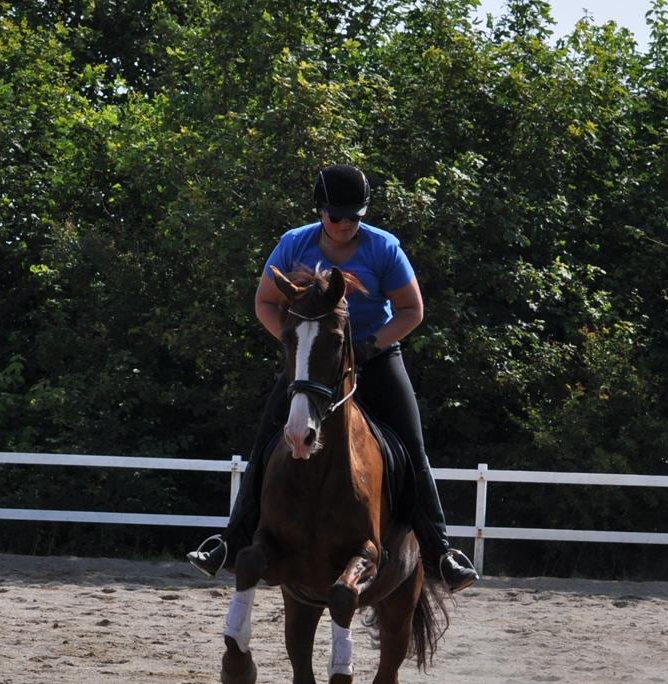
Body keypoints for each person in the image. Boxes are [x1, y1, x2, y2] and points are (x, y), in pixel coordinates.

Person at [186, 163, 478, 593]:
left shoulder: (384, 248)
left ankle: (441, 552)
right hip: (311, 363)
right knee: (267, 441)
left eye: (354, 217)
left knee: (412, 445)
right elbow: (265, 303)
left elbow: (411, 311)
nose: (345, 225)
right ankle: (228, 543)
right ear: (320, 211)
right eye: (336, 216)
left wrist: (370, 345)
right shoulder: (293, 244)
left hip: (373, 357)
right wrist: (296, 347)